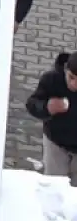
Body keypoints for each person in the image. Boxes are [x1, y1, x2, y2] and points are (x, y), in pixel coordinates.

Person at [26, 52, 77, 185]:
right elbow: (32, 104)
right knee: (54, 183)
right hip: (56, 143)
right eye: (71, 77)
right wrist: (46, 107)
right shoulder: (52, 80)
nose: (74, 84)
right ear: (65, 70)